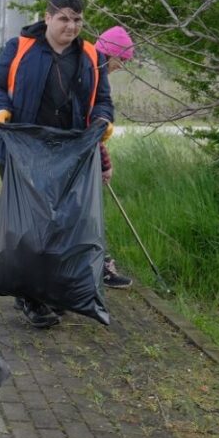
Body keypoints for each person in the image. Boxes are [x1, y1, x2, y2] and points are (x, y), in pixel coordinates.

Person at [0, 0, 115, 328]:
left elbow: (103, 100)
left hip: (68, 153)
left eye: (77, 20)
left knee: (63, 223)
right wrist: (1, 110)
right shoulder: (20, 48)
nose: (71, 27)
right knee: (30, 226)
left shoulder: (90, 56)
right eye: (64, 19)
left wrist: (102, 122)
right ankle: (30, 296)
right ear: (47, 17)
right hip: (23, 149)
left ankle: (53, 288)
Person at [94, 26, 134, 289]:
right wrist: (105, 165)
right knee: (89, 215)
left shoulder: (92, 70)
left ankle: (100, 265)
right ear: (110, 54)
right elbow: (91, 128)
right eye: (122, 60)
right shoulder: (93, 75)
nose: (122, 66)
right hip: (78, 158)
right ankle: (101, 268)